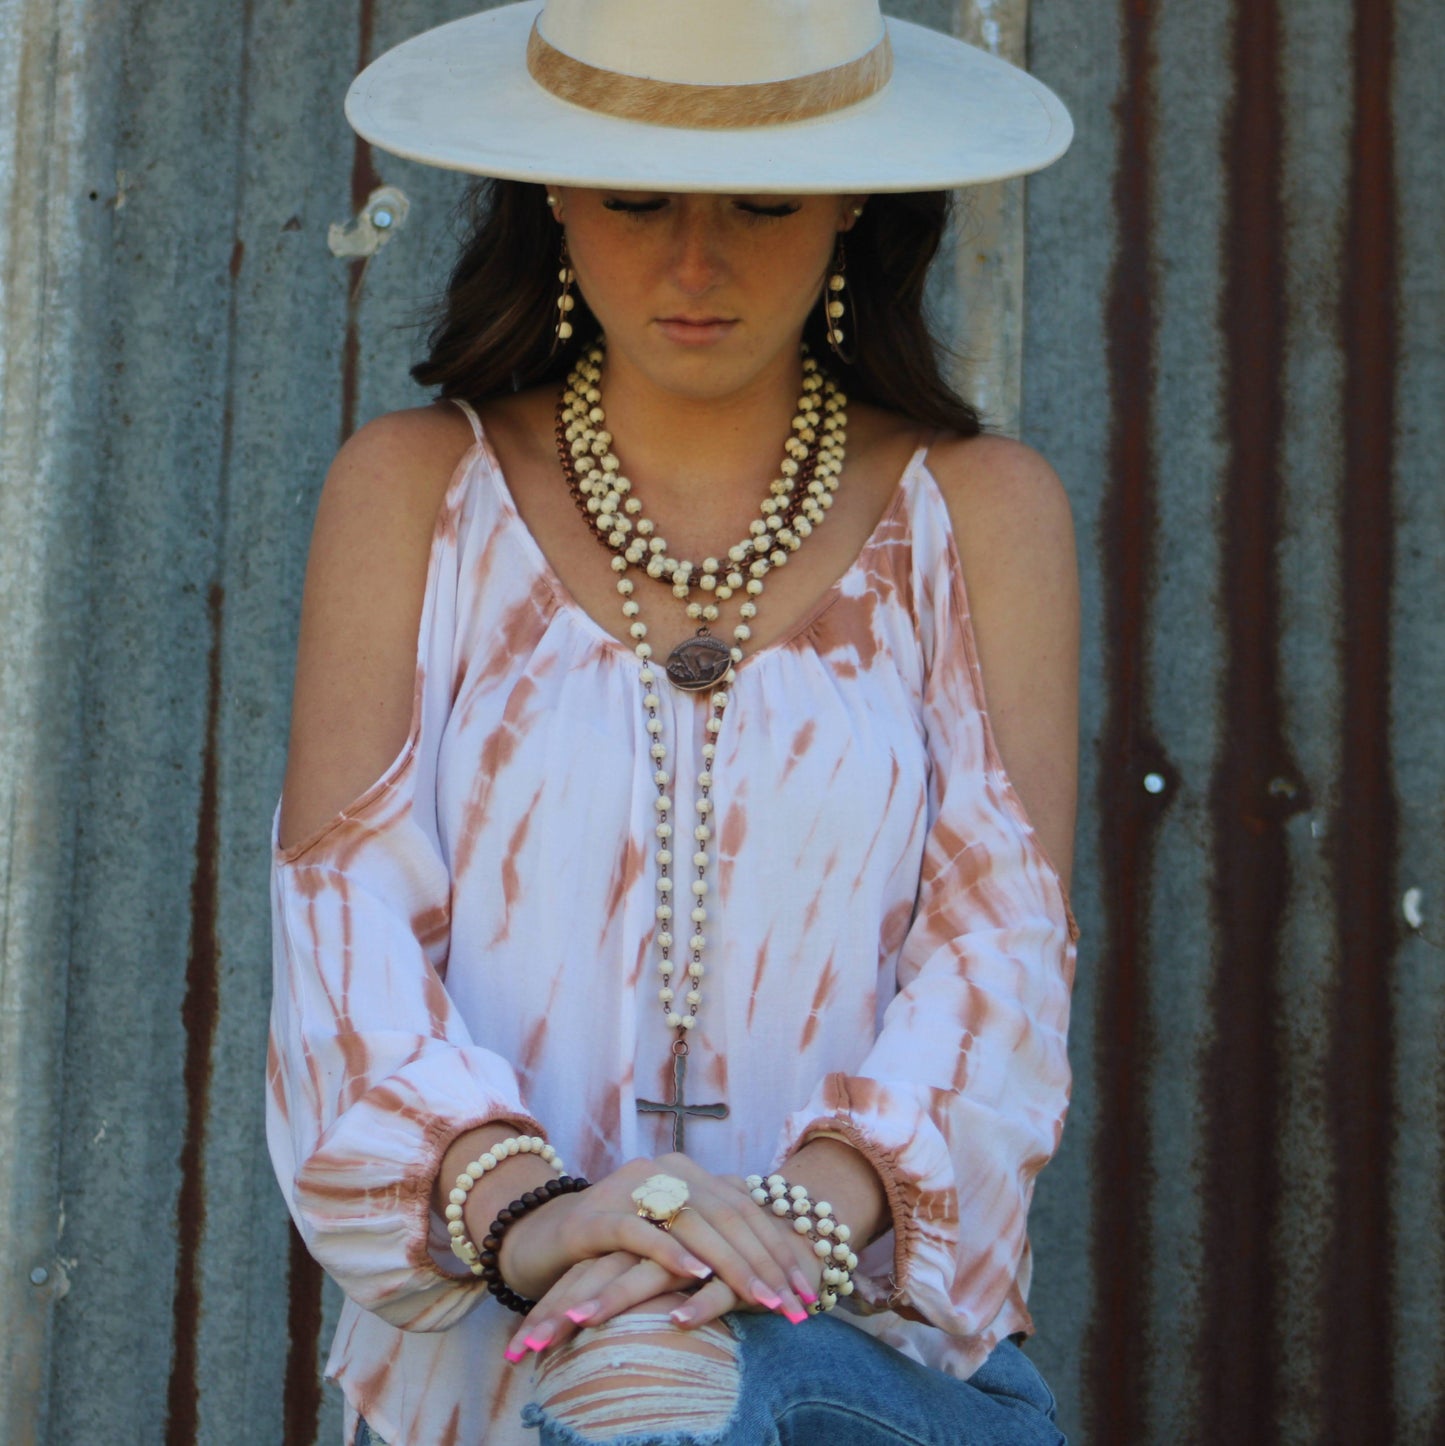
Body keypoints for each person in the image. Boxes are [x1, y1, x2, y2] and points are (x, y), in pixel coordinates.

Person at [267, 2, 1080, 1442]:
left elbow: (997, 961)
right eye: (637, 196)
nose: (693, 260)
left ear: (850, 203)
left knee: (677, 1378)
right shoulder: (409, 493)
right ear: (555, 199)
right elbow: (344, 946)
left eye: (760, 200)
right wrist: (540, 1221)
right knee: (626, 1380)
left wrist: (778, 1235)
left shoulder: (977, 511)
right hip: (484, 1371)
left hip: (842, 1364)